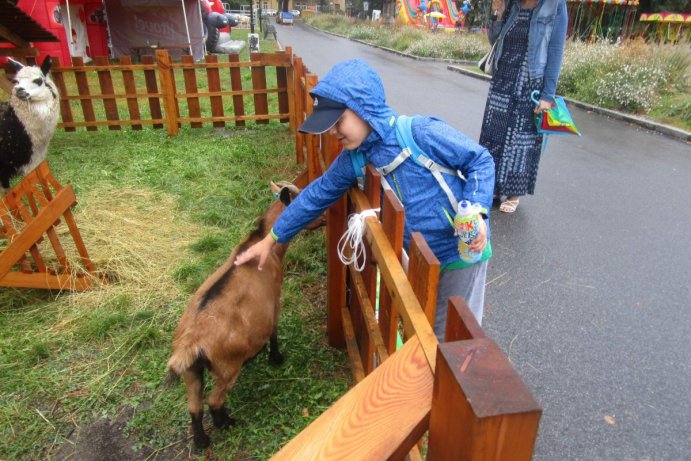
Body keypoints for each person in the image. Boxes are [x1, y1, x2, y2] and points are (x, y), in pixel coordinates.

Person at [234, 59, 495, 341]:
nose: (333, 132)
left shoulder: (420, 133)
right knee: (422, 330)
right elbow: (316, 196)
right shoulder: (354, 159)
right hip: (415, 261)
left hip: (459, 252)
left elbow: (479, 160)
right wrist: (271, 239)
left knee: (452, 339)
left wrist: (477, 211)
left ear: (363, 108)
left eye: (338, 122)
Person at [479, 0, 568, 213]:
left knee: (522, 141)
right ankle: (492, 186)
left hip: (530, 82)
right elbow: (494, 40)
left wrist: (548, 95)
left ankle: (513, 193)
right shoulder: (511, 4)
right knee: (494, 135)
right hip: (503, 78)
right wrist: (498, 14)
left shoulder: (555, 5)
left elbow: (555, 51)